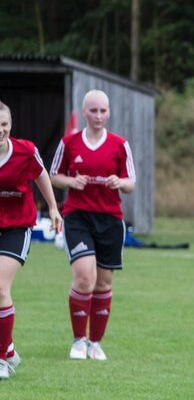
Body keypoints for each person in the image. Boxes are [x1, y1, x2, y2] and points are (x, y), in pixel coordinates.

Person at [49, 89, 137, 361]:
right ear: (84, 112)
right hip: (78, 217)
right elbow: (53, 176)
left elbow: (130, 184)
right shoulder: (69, 143)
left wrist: (119, 182)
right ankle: (78, 340)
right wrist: (71, 182)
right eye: (93, 111)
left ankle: (96, 343)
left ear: (109, 113)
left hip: (110, 219)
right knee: (85, 276)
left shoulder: (120, 145)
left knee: (103, 282)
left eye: (103, 111)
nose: (99, 116)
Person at [0, 100, 65, 380]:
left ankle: (2, 359)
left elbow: (41, 176)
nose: (0, 130)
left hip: (17, 227)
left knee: (0, 287)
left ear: (10, 125)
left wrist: (52, 207)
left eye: (3, 124)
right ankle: (10, 349)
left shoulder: (26, 151)